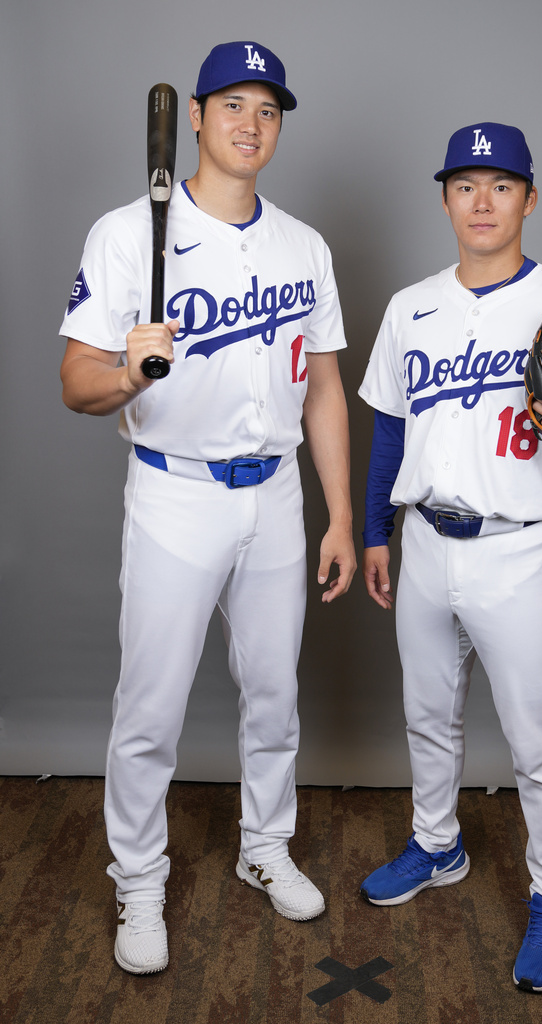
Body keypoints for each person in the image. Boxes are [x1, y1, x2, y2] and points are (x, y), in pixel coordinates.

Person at [59, 40, 356, 975]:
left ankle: (263, 847)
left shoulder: (304, 245)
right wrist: (124, 370)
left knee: (274, 695)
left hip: (272, 495)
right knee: (148, 710)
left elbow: (322, 392)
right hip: (173, 492)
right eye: (231, 104)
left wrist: (339, 515)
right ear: (193, 116)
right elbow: (73, 383)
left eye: (267, 109)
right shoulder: (123, 233)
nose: (250, 123)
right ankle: (138, 880)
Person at [357, 122, 542, 992]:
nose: (482, 201)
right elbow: (388, 431)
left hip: (518, 550)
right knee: (426, 716)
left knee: (536, 742)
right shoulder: (410, 306)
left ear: (529, 199)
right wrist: (372, 531)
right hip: (428, 542)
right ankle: (437, 845)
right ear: (444, 198)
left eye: (500, 185)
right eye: (466, 184)